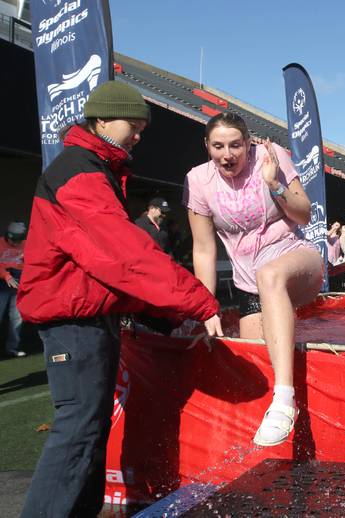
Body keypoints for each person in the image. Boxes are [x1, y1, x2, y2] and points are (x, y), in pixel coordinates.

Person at [16, 81, 220, 518]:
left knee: (87, 434)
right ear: (103, 120)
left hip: (88, 318)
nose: (139, 135)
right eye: (134, 124)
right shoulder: (80, 169)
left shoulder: (92, 168)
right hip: (75, 323)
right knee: (78, 433)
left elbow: (112, 265)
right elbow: (123, 255)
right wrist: (198, 303)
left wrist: (168, 315)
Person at [184, 112, 323, 447]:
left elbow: (304, 213)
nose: (227, 154)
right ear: (207, 146)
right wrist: (205, 308)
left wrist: (274, 184)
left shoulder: (270, 156)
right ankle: (279, 445)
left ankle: (285, 401)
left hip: (295, 258)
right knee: (260, 368)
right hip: (250, 288)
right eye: (218, 146)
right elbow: (203, 249)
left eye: (235, 145)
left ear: (248, 144)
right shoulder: (199, 180)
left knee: (270, 274)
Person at [0, 221, 26, 357]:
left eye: (19, 239)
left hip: (17, 284)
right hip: (1, 284)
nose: (16, 243)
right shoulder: (0, 244)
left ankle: (12, 348)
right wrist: (6, 275)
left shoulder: (26, 244)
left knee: (17, 318)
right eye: (13, 239)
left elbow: (28, 264)